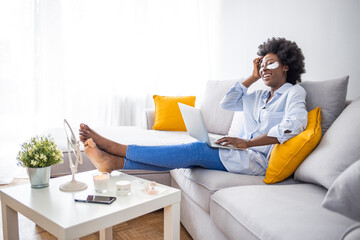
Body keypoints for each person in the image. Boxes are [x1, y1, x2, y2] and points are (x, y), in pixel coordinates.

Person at [79, 37, 307, 176]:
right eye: (262, 64)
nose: (265, 68)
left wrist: (247, 143)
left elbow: (293, 126)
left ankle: (116, 148)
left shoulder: (294, 92)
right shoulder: (257, 95)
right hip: (238, 152)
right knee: (191, 155)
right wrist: (252, 76)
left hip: (257, 160)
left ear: (286, 66)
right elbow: (226, 103)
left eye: (271, 64)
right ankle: (114, 162)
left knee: (195, 150)